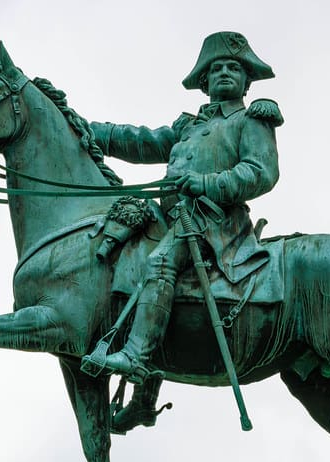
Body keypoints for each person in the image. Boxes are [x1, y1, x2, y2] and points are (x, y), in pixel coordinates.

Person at [82, 31, 283, 383]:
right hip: (173, 218)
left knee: (159, 261)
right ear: (204, 81)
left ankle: (136, 356)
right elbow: (142, 142)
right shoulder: (189, 126)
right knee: (127, 256)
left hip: (214, 222)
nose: (224, 72)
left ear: (246, 80)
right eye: (216, 68)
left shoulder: (251, 120)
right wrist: (89, 130)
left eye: (233, 68)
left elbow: (260, 172)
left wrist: (206, 184)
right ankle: (145, 397)